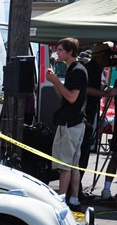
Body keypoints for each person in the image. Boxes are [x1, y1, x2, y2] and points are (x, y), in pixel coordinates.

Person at [46, 37, 88, 211]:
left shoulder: (77, 70)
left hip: (71, 124)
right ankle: (74, 198)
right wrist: (55, 82)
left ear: (70, 52)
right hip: (73, 122)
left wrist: (56, 81)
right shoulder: (72, 69)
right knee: (73, 165)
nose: (58, 53)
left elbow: (71, 98)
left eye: (61, 50)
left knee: (65, 166)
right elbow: (64, 97)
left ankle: (62, 201)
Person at [81, 42, 116, 200]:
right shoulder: (92, 69)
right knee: (81, 155)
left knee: (85, 154)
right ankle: (75, 191)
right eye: (107, 57)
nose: (109, 60)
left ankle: (76, 190)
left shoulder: (96, 69)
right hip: (84, 117)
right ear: (101, 56)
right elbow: (86, 89)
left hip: (88, 116)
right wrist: (105, 93)